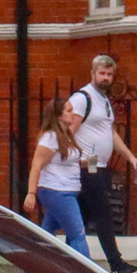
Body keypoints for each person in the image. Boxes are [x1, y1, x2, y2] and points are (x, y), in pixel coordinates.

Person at [68, 54, 137, 273]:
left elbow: (110, 133)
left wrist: (131, 158)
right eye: (102, 73)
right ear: (92, 74)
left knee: (80, 220)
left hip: (100, 167)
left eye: (109, 74)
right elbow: (68, 133)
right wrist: (78, 159)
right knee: (103, 213)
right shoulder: (82, 98)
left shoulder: (104, 101)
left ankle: (65, 263)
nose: (105, 78)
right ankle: (116, 264)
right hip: (89, 166)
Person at [23, 101, 91, 257]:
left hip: (66, 190)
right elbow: (37, 164)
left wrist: (84, 163)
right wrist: (31, 193)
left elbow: (62, 161)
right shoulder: (50, 137)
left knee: (46, 235)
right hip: (57, 191)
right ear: (59, 116)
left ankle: (31, 270)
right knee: (77, 234)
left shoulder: (67, 136)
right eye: (69, 110)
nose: (73, 113)